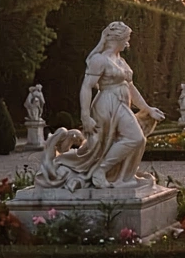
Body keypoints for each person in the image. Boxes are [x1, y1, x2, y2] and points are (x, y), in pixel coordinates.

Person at [37, 21, 164, 191]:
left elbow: (131, 87)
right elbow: (86, 86)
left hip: (121, 104)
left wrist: (147, 109)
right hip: (107, 105)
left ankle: (124, 177)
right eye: (126, 38)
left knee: (138, 140)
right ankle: (101, 171)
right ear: (117, 39)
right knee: (132, 139)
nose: (128, 42)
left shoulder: (121, 60)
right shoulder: (99, 59)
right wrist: (85, 116)